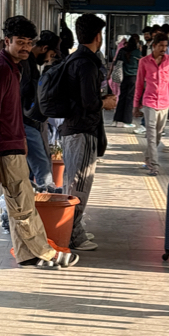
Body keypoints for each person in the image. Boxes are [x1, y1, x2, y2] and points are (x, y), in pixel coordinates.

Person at [0, 15, 79, 270]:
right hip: (5, 148)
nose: (25, 47)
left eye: (29, 43)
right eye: (20, 42)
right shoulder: (1, 70)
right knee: (23, 205)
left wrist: (22, 141)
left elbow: (10, 113)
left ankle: (27, 254)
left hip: (14, 143)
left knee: (20, 201)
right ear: (7, 41)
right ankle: (46, 253)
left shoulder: (13, 68)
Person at [59, 14, 118, 251]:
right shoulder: (87, 64)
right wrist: (105, 102)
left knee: (73, 183)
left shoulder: (75, 59)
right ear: (98, 36)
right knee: (79, 184)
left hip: (74, 130)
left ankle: (71, 228)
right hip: (82, 131)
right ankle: (72, 234)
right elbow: (89, 102)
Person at [21, 29, 61, 190]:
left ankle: (41, 192)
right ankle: (47, 192)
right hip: (27, 121)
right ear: (44, 48)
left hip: (30, 121)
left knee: (36, 164)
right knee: (41, 164)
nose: (48, 59)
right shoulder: (26, 64)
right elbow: (26, 92)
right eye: (50, 55)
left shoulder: (29, 63)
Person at [133, 32, 169, 176]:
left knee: (158, 136)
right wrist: (136, 105)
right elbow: (139, 84)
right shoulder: (144, 62)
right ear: (154, 46)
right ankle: (154, 166)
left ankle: (148, 159)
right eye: (161, 46)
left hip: (165, 103)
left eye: (165, 46)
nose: (164, 49)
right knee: (151, 135)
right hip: (149, 102)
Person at [112, 34, 142, 127]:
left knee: (122, 97)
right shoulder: (137, 52)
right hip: (133, 77)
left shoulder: (122, 50)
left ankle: (117, 119)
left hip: (123, 76)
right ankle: (127, 120)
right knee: (130, 98)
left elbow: (116, 62)